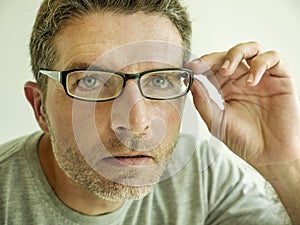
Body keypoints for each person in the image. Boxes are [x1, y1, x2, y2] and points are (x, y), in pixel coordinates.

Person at [0, 0, 299, 224]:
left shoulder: (204, 180)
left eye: (159, 80)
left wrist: (284, 164)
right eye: (91, 81)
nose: (137, 124)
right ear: (40, 107)